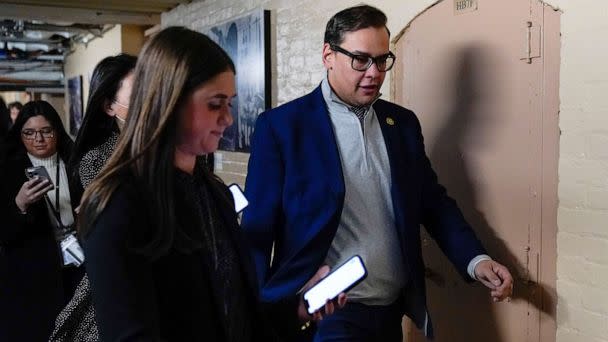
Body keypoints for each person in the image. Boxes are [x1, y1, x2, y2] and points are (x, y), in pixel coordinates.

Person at [241, 5, 514, 341]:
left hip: (391, 309)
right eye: (360, 59)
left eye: (382, 60)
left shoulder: (401, 124)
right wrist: (257, 314)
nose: (374, 72)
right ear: (328, 55)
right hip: (329, 315)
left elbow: (432, 203)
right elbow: (256, 230)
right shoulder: (282, 128)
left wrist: (476, 260)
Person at [78, 26, 280, 341]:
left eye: (230, 103)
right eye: (215, 104)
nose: (228, 118)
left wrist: (295, 310)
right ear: (169, 101)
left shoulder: (212, 191)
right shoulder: (118, 204)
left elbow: (232, 304)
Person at [50, 53, 137, 342]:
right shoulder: (96, 159)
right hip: (124, 282)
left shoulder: (178, 144)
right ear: (110, 105)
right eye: (139, 88)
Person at [0, 100, 84, 341]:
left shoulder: (77, 164)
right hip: (33, 277)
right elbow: (4, 233)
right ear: (20, 134)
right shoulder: (8, 170)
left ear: (57, 131)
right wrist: (20, 205)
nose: (38, 139)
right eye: (29, 132)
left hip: (78, 267)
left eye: (46, 131)